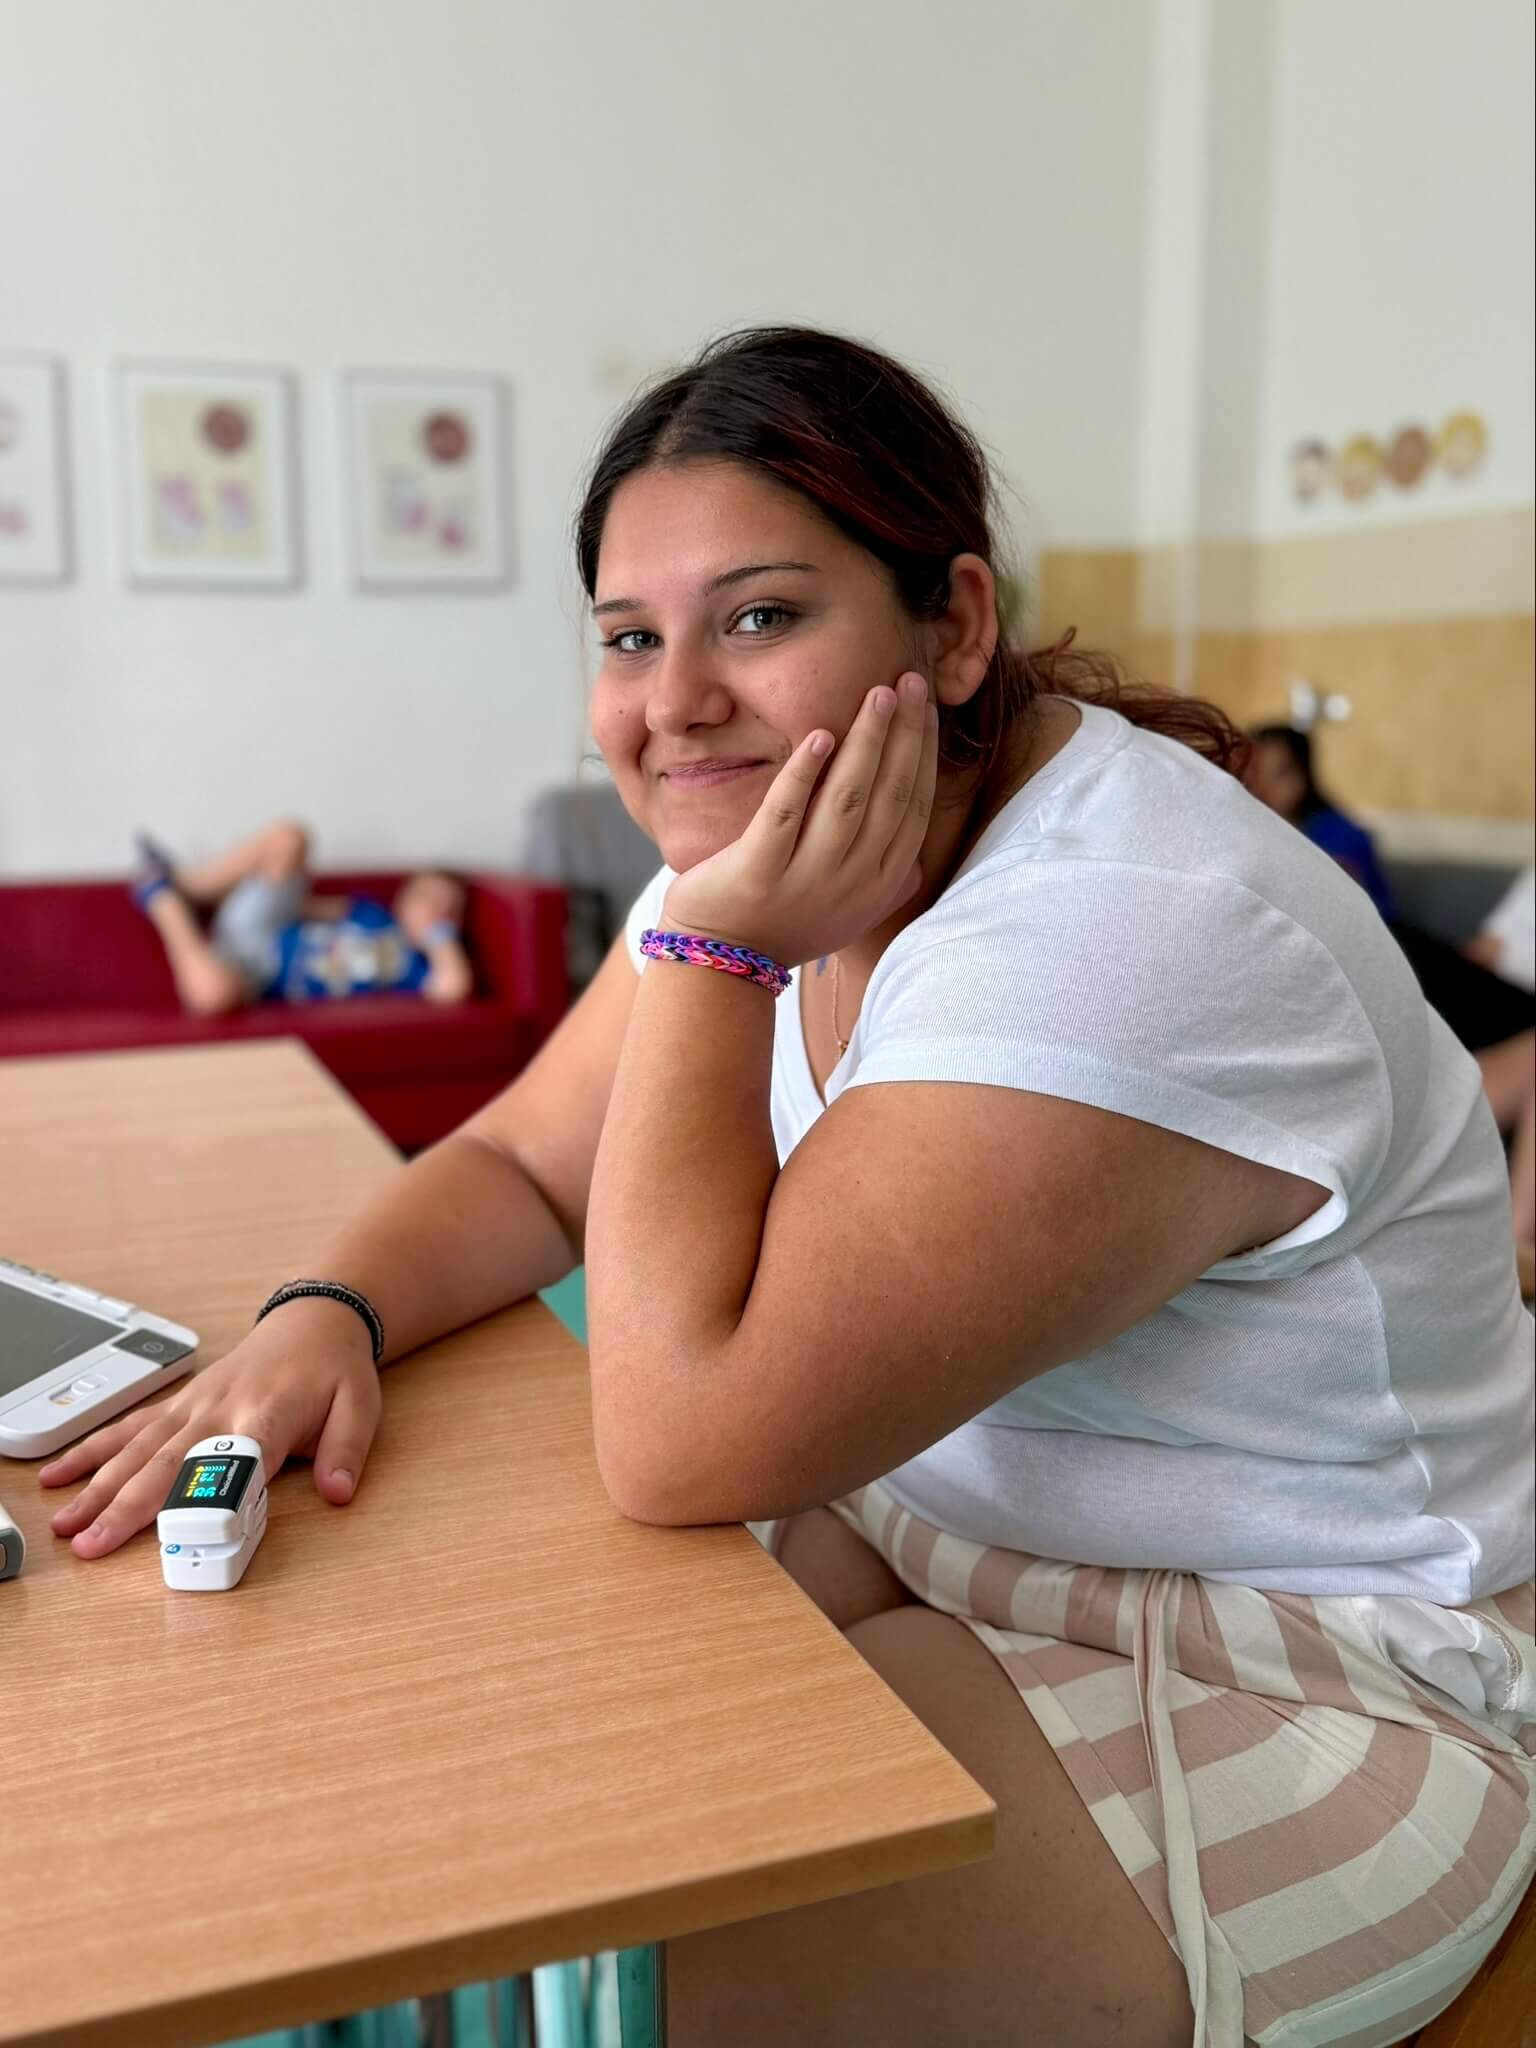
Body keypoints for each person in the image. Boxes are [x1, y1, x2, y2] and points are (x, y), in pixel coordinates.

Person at [43, 329, 1533, 2048]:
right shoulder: (791, 853)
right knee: (406, 1761)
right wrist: (328, 1311)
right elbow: (524, 1159)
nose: (674, 698)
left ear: (952, 625)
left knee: (535, 1964)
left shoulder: (1115, 928)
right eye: (629, 636)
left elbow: (681, 1435)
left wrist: (710, 952)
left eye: (757, 616)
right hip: (940, 1532)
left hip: (1293, 1672)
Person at [1247, 729, 1535, 1256]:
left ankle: (1515, 1239)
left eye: (1277, 772)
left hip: (1492, 995)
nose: (1265, 785)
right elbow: (1492, 944)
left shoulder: (1336, 834)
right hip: (1473, 982)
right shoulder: (1258, 834)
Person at [130, 820, 474, 1015]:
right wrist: (261, 890)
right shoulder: (372, 914)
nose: (432, 908)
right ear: (402, 900)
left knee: (213, 995)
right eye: (424, 897)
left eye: (446, 906)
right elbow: (300, 908)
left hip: (257, 976)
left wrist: (439, 939)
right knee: (291, 837)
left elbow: (453, 989)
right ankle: (190, 887)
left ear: (455, 923)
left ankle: (162, 899)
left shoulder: (414, 970)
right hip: (265, 929)